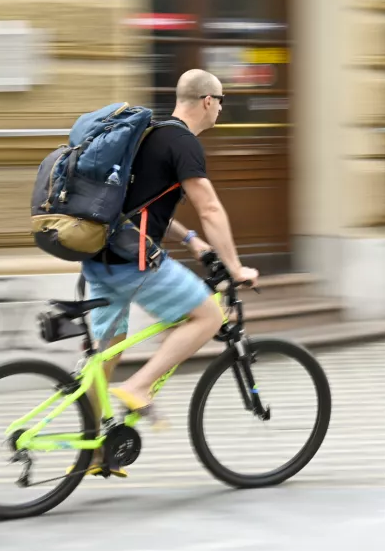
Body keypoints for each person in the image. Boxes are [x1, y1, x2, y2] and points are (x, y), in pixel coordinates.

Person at [79, 68, 259, 476]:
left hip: (101, 257)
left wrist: (191, 240)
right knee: (209, 315)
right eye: (222, 101)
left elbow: (141, 207)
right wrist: (235, 267)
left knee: (106, 354)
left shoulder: (149, 134)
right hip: (132, 263)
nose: (221, 109)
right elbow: (210, 207)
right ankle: (139, 387)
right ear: (208, 101)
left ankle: (91, 448)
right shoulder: (183, 142)